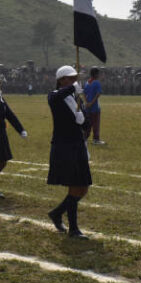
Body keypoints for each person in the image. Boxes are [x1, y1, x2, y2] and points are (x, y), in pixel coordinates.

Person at [46, 66, 93, 239]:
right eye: (70, 78)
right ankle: (73, 228)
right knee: (75, 186)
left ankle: (57, 213)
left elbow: (85, 121)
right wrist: (73, 88)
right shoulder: (54, 96)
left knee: (83, 187)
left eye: (75, 78)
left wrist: (84, 121)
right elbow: (57, 96)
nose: (74, 81)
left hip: (78, 144)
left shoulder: (75, 98)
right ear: (61, 80)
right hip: (64, 146)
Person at [83, 67, 105, 145]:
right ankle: (96, 139)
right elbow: (98, 94)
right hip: (95, 107)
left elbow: (84, 93)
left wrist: (87, 102)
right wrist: (92, 103)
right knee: (96, 124)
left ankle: (84, 138)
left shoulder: (87, 82)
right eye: (98, 73)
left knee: (88, 123)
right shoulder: (97, 82)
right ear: (96, 74)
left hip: (87, 107)